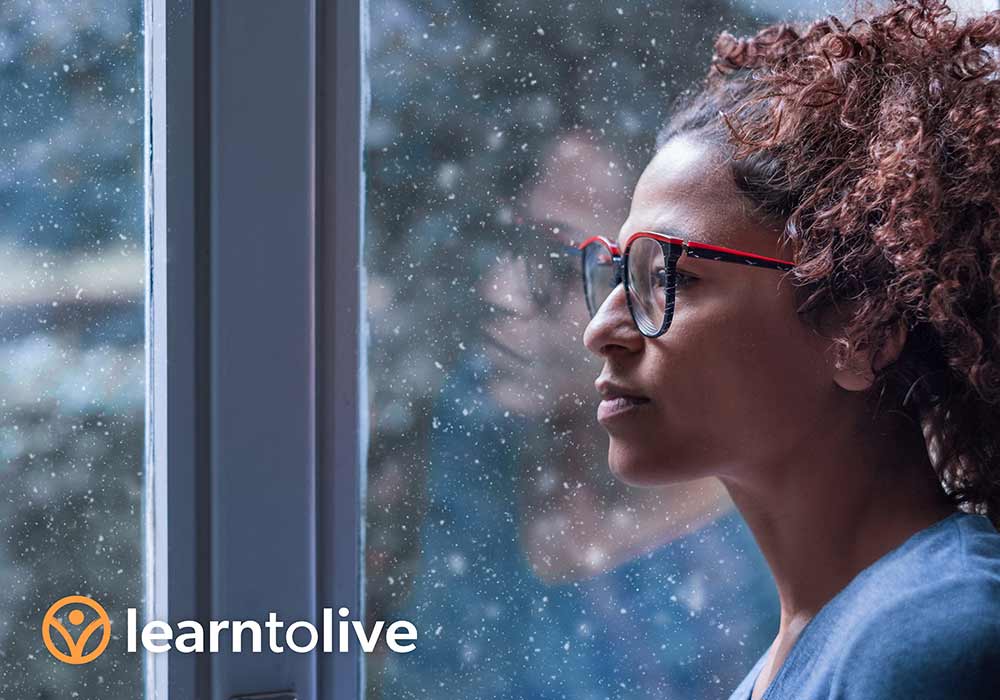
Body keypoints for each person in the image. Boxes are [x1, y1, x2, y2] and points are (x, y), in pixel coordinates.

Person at [578, 2, 1000, 699]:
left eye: (671, 278)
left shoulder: (932, 637)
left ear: (859, 328)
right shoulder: (807, 655)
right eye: (619, 276)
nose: (602, 330)